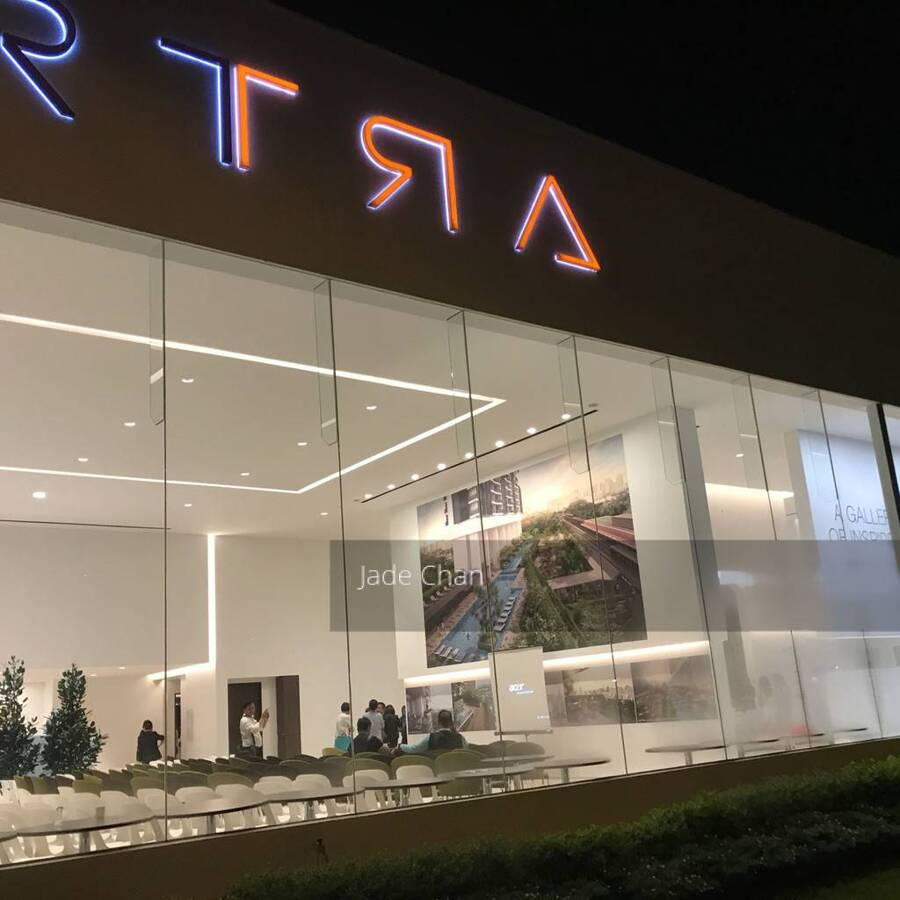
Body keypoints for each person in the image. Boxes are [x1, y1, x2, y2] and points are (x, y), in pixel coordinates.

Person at [396, 709, 467, 753]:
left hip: (437, 771)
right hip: (456, 771)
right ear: (451, 722)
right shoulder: (460, 738)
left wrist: (401, 746)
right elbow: (467, 752)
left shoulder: (431, 738)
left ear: (438, 722)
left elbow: (414, 749)